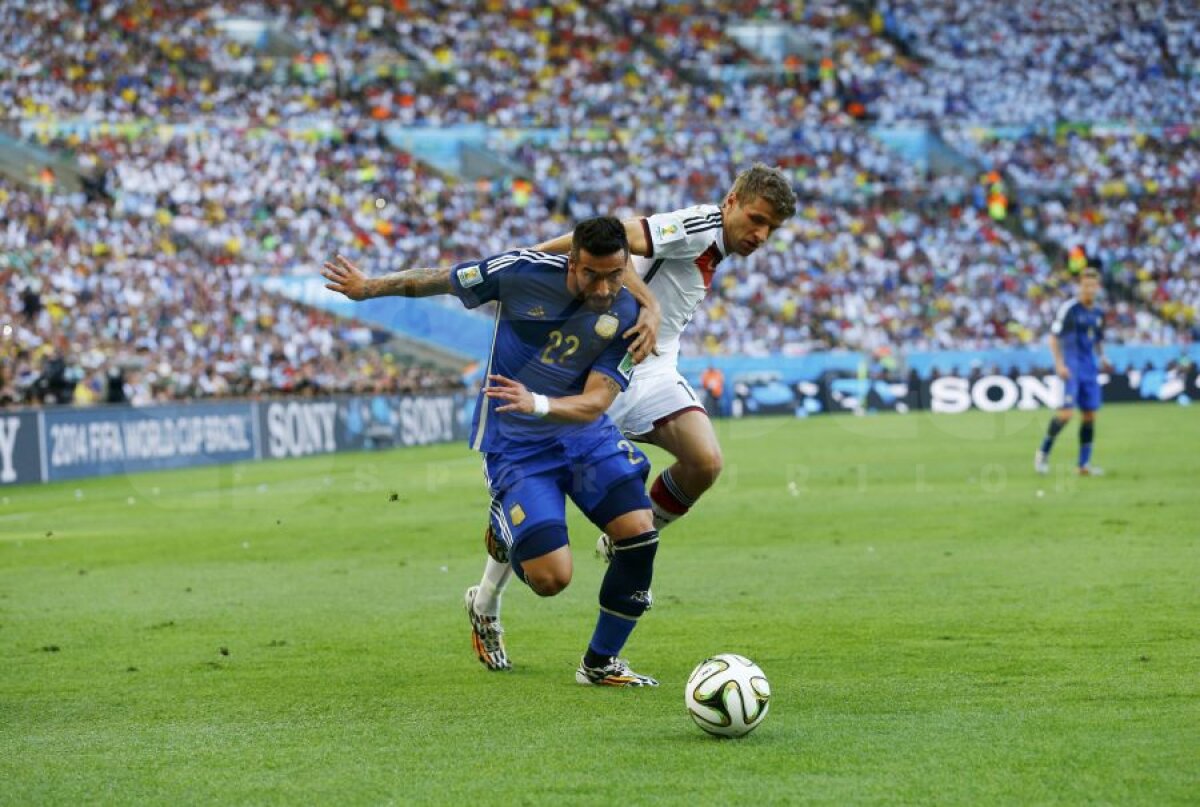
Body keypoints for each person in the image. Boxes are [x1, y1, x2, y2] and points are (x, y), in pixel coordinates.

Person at [465, 163, 797, 670]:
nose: (761, 235)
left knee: (704, 461)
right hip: (598, 372)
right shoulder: (699, 226)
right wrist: (529, 264)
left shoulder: (719, 245)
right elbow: (611, 236)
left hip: (652, 370)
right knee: (535, 521)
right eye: (756, 219)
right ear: (731, 201)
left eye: (771, 228)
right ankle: (486, 600)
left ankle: (625, 541)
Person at [322, 216, 662, 686]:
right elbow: (439, 279)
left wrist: (538, 401)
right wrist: (368, 288)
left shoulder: (627, 313)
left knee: (639, 534)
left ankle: (600, 663)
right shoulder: (520, 272)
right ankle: (506, 532)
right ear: (571, 261)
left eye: (615, 275)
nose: (604, 288)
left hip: (583, 434)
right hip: (518, 446)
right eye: (592, 275)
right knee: (551, 580)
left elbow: (597, 401)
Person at [1036, 267, 1109, 476]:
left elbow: (1098, 339)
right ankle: (1043, 453)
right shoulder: (1069, 309)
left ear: (1097, 287)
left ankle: (1083, 465)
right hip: (1072, 367)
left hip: (1089, 368)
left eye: (1093, 285)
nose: (1089, 289)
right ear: (1080, 286)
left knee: (1089, 415)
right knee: (1066, 414)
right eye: (1085, 285)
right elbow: (1053, 338)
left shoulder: (1098, 313)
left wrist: (1102, 357)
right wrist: (1059, 364)